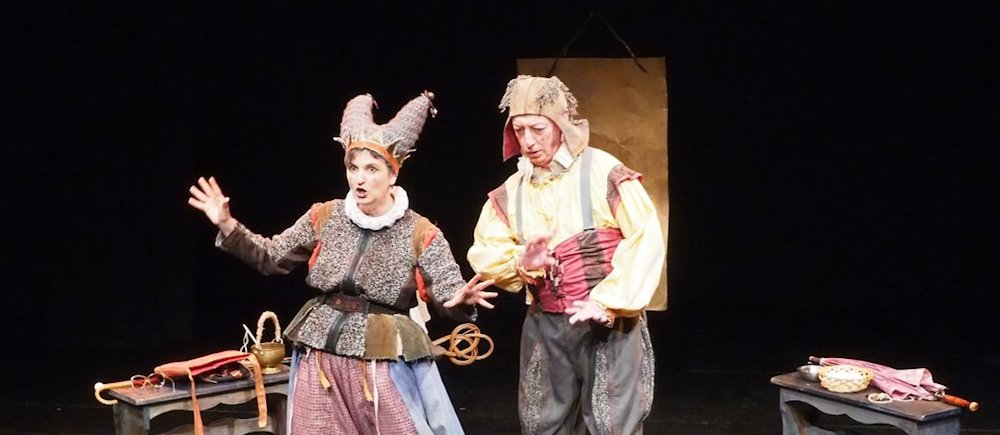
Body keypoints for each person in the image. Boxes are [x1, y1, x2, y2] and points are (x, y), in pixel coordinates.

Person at [188, 91, 496, 434]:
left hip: (381, 359)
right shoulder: (326, 216)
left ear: (393, 174)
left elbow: (449, 291)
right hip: (320, 356)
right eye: (353, 168)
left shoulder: (420, 232)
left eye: (371, 169)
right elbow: (271, 256)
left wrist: (460, 301)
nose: (359, 178)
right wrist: (227, 224)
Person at [467, 75, 665, 434]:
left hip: (608, 323)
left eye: (538, 129)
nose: (528, 140)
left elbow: (645, 237)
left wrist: (609, 302)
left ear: (562, 124)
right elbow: (485, 249)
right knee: (542, 422)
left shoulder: (602, 172)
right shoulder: (513, 190)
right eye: (520, 130)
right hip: (546, 324)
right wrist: (520, 262)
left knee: (612, 423)